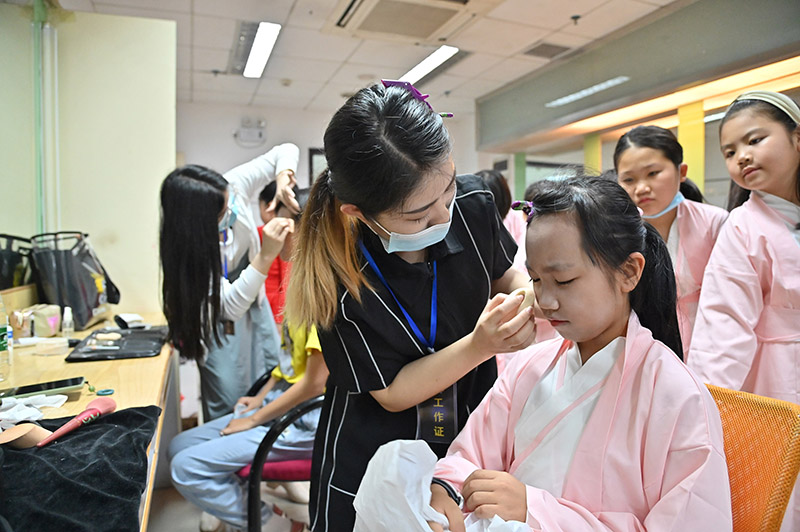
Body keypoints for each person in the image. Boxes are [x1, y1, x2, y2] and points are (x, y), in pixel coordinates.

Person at [283, 80, 536, 532]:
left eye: (448, 191)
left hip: (467, 434)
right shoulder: (337, 275)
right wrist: (481, 345)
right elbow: (393, 392)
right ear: (359, 213)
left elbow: (505, 274)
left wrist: (527, 295)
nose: (444, 216)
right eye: (418, 215)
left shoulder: (473, 205)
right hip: (373, 452)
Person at [420, 175, 731, 531]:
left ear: (629, 272)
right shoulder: (529, 366)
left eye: (564, 281)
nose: (546, 301)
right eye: (536, 280)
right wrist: (445, 491)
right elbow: (468, 456)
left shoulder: (678, 396)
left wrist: (534, 510)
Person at [168, 188, 328, 532]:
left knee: (185, 467)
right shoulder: (298, 281)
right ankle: (256, 508)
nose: (271, 227)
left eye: (281, 222)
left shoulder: (323, 292)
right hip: (281, 406)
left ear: (305, 229)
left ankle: (261, 519)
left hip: (304, 423)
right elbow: (290, 361)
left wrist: (255, 419)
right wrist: (260, 397)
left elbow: (315, 382)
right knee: (180, 444)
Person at [688, 90, 800, 532]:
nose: (742, 157)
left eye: (755, 140)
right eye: (730, 152)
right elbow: (724, 328)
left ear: (797, 138)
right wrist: (703, 416)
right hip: (779, 382)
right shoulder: (742, 227)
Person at [160, 143, 299, 420]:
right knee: (229, 398)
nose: (232, 211)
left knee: (269, 380)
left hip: (255, 306)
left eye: (230, 202)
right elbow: (230, 307)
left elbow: (285, 150)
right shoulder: (190, 253)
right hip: (220, 321)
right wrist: (266, 255)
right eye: (223, 212)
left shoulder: (233, 186)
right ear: (199, 224)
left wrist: (284, 177)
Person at [614, 125, 728, 357]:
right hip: (643, 347)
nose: (641, 188)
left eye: (653, 173)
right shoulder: (616, 233)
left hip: (711, 344)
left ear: (681, 171)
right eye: (629, 179)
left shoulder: (715, 223)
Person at [256, 181, 302, 324]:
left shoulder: (264, 234)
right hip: (277, 308)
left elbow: (285, 276)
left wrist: (279, 319)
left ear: (269, 206)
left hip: (274, 309)